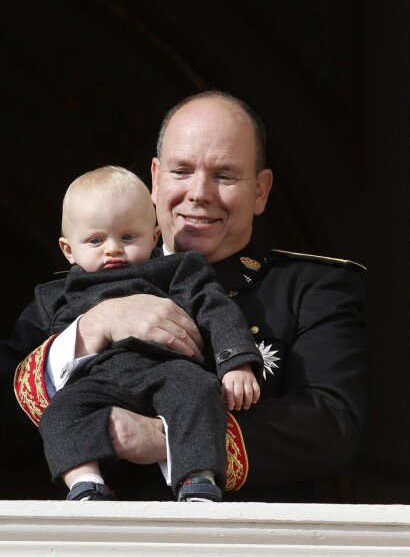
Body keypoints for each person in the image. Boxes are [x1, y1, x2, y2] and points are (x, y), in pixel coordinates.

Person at [0, 90, 368, 502]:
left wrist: (163, 438)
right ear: (154, 178)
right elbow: (1, 440)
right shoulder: (73, 290)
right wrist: (92, 328)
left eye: (224, 175)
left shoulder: (311, 287)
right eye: (181, 171)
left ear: (260, 190)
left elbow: (330, 426)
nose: (199, 192)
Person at [39, 165, 263, 501]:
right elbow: (13, 352)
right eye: (96, 240)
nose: (113, 249)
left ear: (154, 236)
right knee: (59, 411)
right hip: (98, 379)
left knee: (200, 391)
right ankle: (86, 483)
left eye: (128, 237)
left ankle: (197, 481)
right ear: (68, 249)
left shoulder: (176, 269)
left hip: (167, 368)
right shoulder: (56, 294)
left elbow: (215, 309)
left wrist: (236, 361)